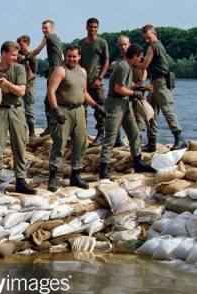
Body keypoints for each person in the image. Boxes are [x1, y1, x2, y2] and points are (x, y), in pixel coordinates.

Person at [47, 45, 106, 192]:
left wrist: (96, 105)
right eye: (69, 56)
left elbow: (84, 92)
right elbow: (51, 92)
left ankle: (76, 175)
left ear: (79, 57)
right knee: (59, 144)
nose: (71, 59)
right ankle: (53, 177)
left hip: (79, 110)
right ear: (65, 57)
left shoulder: (83, 72)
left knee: (80, 143)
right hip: (64, 110)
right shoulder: (61, 70)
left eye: (74, 56)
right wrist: (56, 110)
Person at [0, 41, 36, 196]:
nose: (15, 57)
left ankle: (20, 179)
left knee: (19, 145)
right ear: (3, 53)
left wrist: (6, 84)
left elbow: (21, 91)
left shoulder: (19, 69)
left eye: (16, 54)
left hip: (16, 111)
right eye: (12, 54)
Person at [99, 44, 156, 179]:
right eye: (140, 58)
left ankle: (138, 162)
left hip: (124, 103)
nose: (141, 60)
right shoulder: (123, 66)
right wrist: (135, 93)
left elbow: (127, 84)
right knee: (111, 136)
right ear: (135, 56)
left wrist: (139, 88)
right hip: (115, 104)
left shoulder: (127, 66)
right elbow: (119, 88)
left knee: (134, 132)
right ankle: (103, 169)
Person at [137, 24, 187, 151]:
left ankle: (179, 139)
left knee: (167, 110)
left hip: (161, 83)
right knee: (149, 111)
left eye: (149, 37)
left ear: (155, 34)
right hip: (155, 83)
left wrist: (132, 61)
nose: (147, 41)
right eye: (145, 39)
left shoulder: (153, 47)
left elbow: (144, 66)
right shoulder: (158, 46)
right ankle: (152, 142)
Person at [29, 19, 64, 136]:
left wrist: (25, 58)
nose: (44, 30)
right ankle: (58, 125)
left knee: (48, 100)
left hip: (55, 70)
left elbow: (37, 50)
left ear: (52, 28)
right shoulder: (58, 38)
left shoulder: (47, 37)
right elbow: (62, 56)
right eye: (43, 28)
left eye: (46, 28)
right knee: (58, 98)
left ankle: (51, 127)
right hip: (60, 68)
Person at [78, 18, 110, 147]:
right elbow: (78, 62)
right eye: (91, 27)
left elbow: (106, 61)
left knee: (100, 108)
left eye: (95, 27)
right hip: (83, 83)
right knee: (81, 109)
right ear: (86, 27)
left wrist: (100, 78)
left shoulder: (102, 42)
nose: (93, 29)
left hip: (97, 83)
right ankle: (81, 134)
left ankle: (101, 134)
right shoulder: (81, 43)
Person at [16, 35, 38, 139]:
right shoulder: (17, 55)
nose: (20, 47)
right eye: (19, 45)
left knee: (29, 107)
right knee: (17, 107)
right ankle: (21, 129)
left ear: (27, 43)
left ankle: (32, 131)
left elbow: (34, 70)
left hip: (29, 83)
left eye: (21, 44)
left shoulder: (31, 56)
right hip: (18, 83)